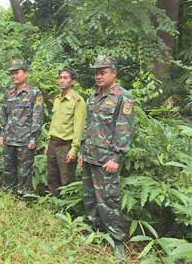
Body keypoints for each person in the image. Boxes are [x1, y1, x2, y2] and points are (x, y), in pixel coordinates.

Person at [78, 55, 134, 262]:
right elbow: (89, 127)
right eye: (96, 72)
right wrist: (83, 152)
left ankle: (118, 241)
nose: (98, 76)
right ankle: (95, 232)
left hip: (107, 160)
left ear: (114, 73)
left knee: (109, 201)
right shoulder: (93, 97)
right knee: (90, 198)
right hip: (90, 156)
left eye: (103, 72)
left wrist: (116, 158)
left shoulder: (122, 96)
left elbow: (125, 130)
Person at [0, 59, 44, 199]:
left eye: (17, 72)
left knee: (25, 172)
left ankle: (23, 198)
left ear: (25, 74)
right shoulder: (8, 93)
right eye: (11, 73)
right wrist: (1, 134)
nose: (14, 76)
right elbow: (3, 115)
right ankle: (7, 195)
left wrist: (33, 138)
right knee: (7, 170)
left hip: (25, 140)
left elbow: (37, 117)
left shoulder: (34, 93)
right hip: (9, 139)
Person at [45, 69, 86, 197]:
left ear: (73, 81)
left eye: (65, 78)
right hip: (53, 144)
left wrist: (74, 150)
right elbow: (54, 123)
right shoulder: (57, 99)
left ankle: (67, 208)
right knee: (52, 177)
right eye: (60, 78)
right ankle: (54, 204)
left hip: (65, 146)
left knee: (67, 179)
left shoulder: (77, 101)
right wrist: (48, 143)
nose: (61, 80)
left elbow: (79, 128)